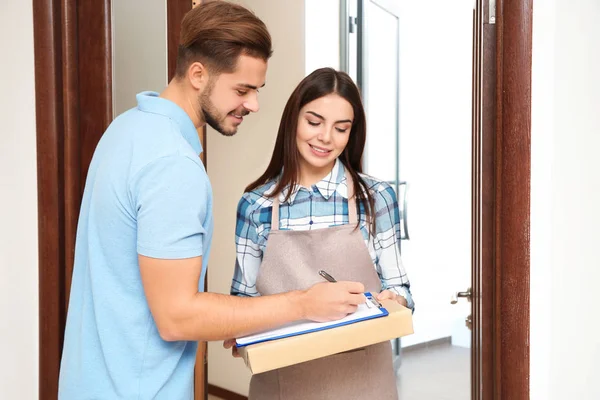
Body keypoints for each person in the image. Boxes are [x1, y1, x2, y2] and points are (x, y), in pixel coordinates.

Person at [58, 3, 366, 399]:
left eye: (257, 90)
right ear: (198, 74)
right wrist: (304, 303)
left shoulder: (126, 128)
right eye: (242, 89)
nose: (253, 104)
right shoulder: (173, 165)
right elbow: (178, 316)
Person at [228, 67, 415, 399]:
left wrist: (395, 300)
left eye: (340, 128)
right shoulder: (255, 205)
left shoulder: (377, 199)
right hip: (284, 383)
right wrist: (240, 332)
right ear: (293, 121)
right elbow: (243, 303)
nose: (326, 137)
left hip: (366, 381)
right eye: (314, 122)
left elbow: (400, 290)